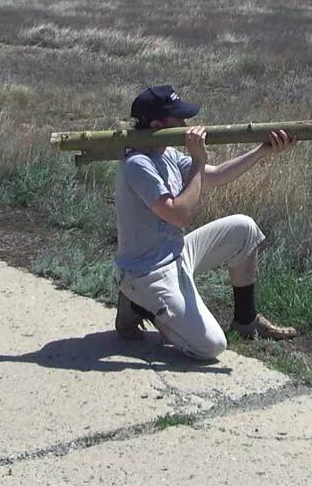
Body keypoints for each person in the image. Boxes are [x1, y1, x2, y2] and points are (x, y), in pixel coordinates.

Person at [113, 84, 297, 360]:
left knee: (244, 229)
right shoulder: (138, 164)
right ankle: (138, 303)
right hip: (148, 272)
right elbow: (179, 214)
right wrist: (198, 162)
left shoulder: (168, 154)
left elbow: (216, 176)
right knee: (211, 346)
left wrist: (262, 152)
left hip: (175, 256)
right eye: (179, 119)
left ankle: (245, 320)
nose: (187, 125)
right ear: (156, 124)